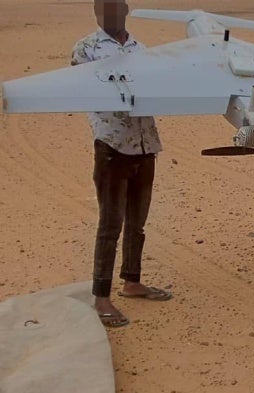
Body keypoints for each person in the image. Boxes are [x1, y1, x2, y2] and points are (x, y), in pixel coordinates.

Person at [72, 0, 172, 328]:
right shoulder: (86, 49)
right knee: (110, 224)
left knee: (137, 222)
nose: (109, 15)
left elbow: (156, 86)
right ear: (96, 12)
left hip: (145, 144)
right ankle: (101, 296)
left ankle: (132, 281)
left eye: (115, 8)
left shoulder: (141, 49)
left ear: (126, 10)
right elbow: (83, 90)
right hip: (113, 147)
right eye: (103, 9)